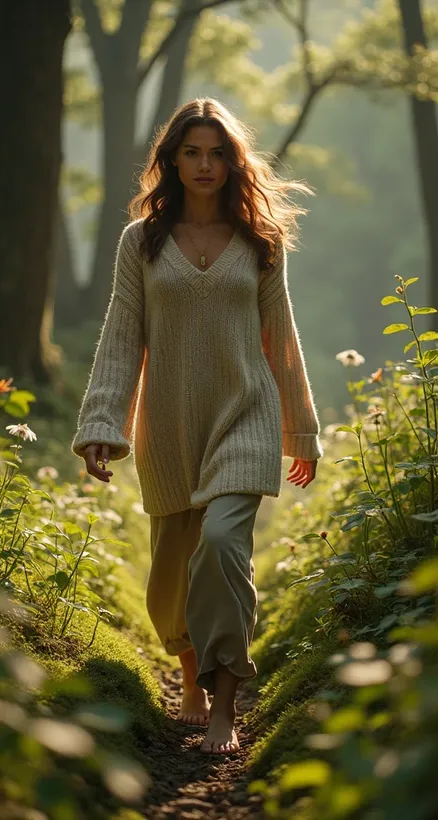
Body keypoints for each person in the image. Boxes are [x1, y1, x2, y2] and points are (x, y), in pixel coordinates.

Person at [71, 97, 323, 756]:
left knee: (222, 544)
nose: (205, 164)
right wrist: (103, 422)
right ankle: (187, 678)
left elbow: (283, 338)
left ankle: (224, 707)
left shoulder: (259, 241)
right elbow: (123, 337)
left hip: (248, 413)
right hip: (170, 425)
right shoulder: (142, 242)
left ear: (233, 160)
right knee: (171, 580)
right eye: (192, 152)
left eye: (217, 152)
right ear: (172, 159)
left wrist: (302, 431)